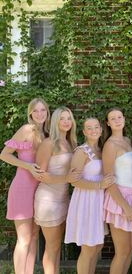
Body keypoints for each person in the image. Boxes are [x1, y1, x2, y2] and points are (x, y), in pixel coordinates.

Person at [0, 98, 50, 274]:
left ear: (47, 112)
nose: (39, 114)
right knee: (24, 239)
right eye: (35, 111)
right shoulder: (26, 129)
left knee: (34, 237)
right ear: (30, 113)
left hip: (41, 190)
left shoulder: (48, 134)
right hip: (22, 188)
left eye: (42, 110)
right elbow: (4, 155)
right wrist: (27, 165)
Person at [64, 117, 114, 274]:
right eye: (89, 128)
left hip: (99, 202)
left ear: (101, 129)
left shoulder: (101, 149)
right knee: (89, 248)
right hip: (86, 202)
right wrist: (99, 185)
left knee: (97, 246)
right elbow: (74, 181)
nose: (94, 130)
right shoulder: (81, 151)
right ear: (84, 132)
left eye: (96, 127)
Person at [34, 106, 78, 274]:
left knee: (57, 245)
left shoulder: (71, 142)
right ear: (55, 121)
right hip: (48, 200)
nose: (66, 122)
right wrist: (67, 179)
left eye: (69, 118)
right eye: (62, 118)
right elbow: (40, 175)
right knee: (51, 247)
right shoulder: (49, 143)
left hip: (64, 199)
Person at [102, 107, 132, 274]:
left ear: (124, 119)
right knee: (122, 251)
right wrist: (125, 206)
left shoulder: (128, 140)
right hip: (119, 199)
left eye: (119, 117)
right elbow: (109, 181)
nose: (117, 120)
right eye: (113, 118)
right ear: (108, 123)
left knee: (130, 250)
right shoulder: (110, 145)